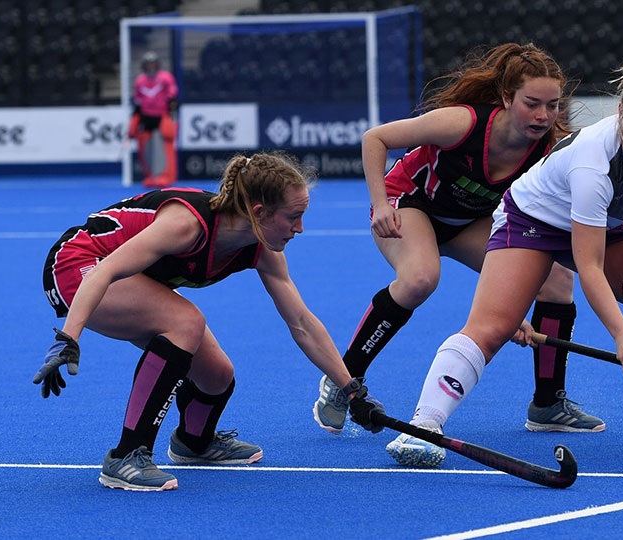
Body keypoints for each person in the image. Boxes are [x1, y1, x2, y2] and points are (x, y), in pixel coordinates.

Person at [386, 37, 623, 468]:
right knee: (493, 327)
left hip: (606, 226)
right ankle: (425, 426)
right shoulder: (594, 164)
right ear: (622, 112)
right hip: (533, 220)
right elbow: (589, 266)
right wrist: (622, 334)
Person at [35, 151, 386, 491]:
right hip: (79, 266)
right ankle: (126, 456)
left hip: (119, 277)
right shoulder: (186, 225)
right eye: (293, 216)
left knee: (217, 375)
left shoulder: (262, 248)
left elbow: (302, 323)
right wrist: (69, 338)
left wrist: (350, 390)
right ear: (260, 212)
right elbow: (106, 271)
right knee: (186, 321)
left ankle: (193, 442)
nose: (300, 228)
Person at [312, 43, 603, 449]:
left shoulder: (549, 149)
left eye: (552, 106)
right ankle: (344, 378)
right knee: (420, 278)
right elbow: (374, 138)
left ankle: (547, 404)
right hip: (410, 205)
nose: (543, 116)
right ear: (506, 98)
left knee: (555, 281)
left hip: (468, 223)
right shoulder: (462, 124)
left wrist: (512, 302)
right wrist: (379, 203)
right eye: (532, 103)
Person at [128, 51, 178, 188]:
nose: (151, 67)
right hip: (146, 118)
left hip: (161, 117)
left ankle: (165, 175)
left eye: (153, 64)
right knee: (146, 147)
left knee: (164, 147)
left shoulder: (166, 78)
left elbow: (172, 98)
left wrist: (171, 115)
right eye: (148, 64)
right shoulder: (140, 81)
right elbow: (137, 102)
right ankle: (151, 175)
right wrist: (135, 120)